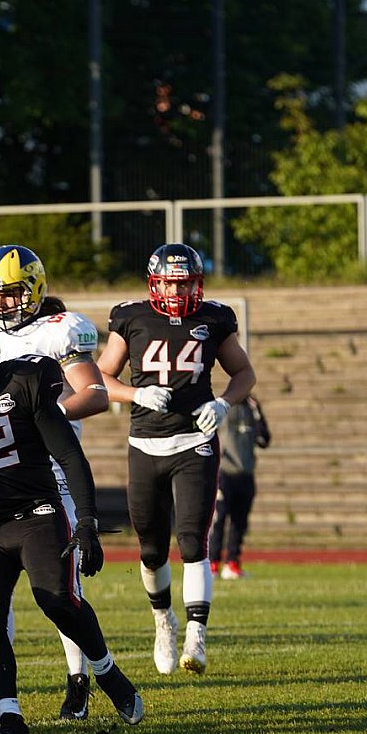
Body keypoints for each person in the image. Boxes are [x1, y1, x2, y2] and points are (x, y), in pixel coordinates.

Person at [0, 312, 142, 734]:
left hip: (37, 514)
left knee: (57, 600)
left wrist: (87, 522)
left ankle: (106, 671)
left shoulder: (23, 382)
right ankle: (10, 719)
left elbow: (70, 455)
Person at [0, 243, 111, 721]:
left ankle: (78, 679)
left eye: (9, 293)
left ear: (34, 290)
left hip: (50, 476)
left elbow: (95, 394)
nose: (0, 303)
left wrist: (36, 419)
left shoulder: (58, 330)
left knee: (60, 589)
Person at [97, 243, 257, 676]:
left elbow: (245, 373)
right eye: (169, 282)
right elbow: (101, 377)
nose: (177, 290)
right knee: (151, 549)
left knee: (192, 542)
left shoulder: (214, 318)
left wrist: (223, 403)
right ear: (155, 283)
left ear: (196, 283)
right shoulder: (130, 317)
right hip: (146, 443)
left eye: (184, 282)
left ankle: (196, 634)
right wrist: (136, 393)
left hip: (194, 442)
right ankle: (163, 620)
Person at [208, 395, 271, 580]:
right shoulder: (221, 405)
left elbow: (264, 439)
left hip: (245, 474)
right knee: (218, 520)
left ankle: (232, 563)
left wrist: (257, 412)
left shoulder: (252, 407)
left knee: (239, 522)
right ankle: (212, 563)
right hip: (224, 473)